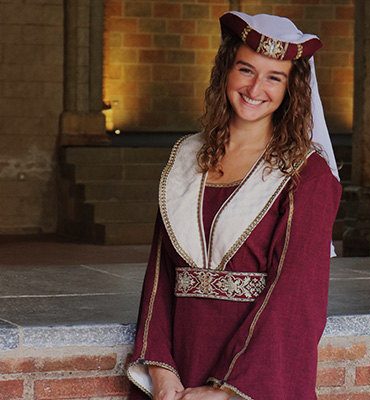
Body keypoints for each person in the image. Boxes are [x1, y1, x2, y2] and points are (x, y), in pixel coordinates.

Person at [125, 11, 341, 400]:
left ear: (291, 87)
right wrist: (160, 368)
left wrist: (227, 391)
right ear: (226, 70)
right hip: (178, 375)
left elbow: (297, 297)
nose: (256, 87)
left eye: (274, 77)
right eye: (246, 70)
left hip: (254, 382)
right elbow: (160, 276)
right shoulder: (187, 159)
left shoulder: (307, 175)